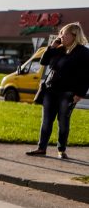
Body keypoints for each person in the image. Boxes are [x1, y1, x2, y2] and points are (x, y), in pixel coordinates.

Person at [26, 22, 89, 159]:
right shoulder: (59, 49)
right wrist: (52, 47)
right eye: (61, 33)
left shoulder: (83, 52)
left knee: (63, 122)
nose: (61, 36)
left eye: (64, 34)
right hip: (50, 90)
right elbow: (43, 61)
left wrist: (80, 94)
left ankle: (61, 149)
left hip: (68, 94)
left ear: (74, 35)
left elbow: (87, 75)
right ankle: (41, 148)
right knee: (46, 121)